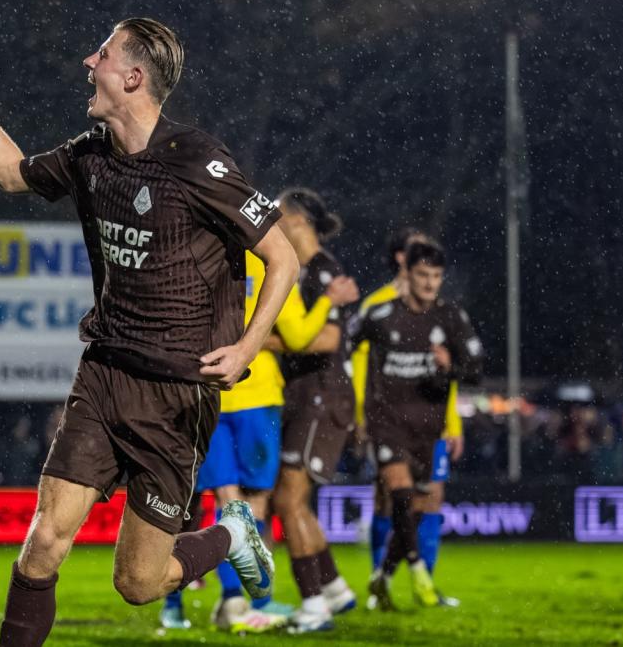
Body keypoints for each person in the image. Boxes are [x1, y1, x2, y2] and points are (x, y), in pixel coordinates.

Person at [0, 17, 299, 647]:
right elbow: (11, 172)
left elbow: (284, 257)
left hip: (178, 394)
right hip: (104, 372)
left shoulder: (199, 161)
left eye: (101, 53)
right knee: (45, 537)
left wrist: (248, 345)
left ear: (133, 77)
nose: (86, 62)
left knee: (139, 583)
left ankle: (233, 532)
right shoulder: (91, 153)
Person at [178, 247, 357, 633]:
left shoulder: (193, 254)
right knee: (254, 505)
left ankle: (232, 602)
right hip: (256, 395)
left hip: (207, 393)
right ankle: (257, 601)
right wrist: (325, 302)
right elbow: (296, 334)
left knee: (227, 502)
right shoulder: (269, 261)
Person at [350, 239, 482, 610]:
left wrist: (448, 367)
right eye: (423, 275)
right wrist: (353, 411)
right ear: (405, 274)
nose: (429, 284)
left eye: (436, 277)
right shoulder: (379, 313)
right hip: (386, 422)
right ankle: (419, 573)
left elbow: (474, 371)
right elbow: (344, 348)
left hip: (430, 427)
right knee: (398, 495)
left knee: (422, 505)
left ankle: (382, 579)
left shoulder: (450, 317)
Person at [271, 187, 361, 632]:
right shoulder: (306, 270)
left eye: (277, 214)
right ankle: (334, 589)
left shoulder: (323, 271)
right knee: (295, 502)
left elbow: (326, 340)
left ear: (297, 222)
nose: (270, 221)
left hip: (323, 395)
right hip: (311, 395)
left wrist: (261, 342)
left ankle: (312, 606)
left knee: (288, 501)